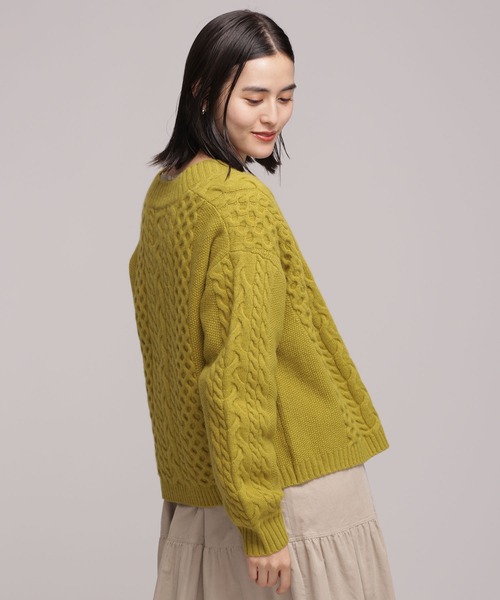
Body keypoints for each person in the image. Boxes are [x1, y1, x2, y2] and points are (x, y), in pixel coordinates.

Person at [129, 9, 396, 599]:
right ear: (203, 91)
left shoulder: (166, 195)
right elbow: (237, 374)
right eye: (254, 98)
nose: (273, 116)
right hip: (290, 498)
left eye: (286, 97)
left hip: (204, 502)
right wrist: (260, 520)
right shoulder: (238, 204)